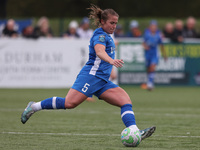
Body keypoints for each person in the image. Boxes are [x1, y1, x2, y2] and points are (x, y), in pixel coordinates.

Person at [21, 4, 155, 141]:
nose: (114, 26)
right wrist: (111, 61)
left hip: (102, 80)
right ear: (103, 22)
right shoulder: (100, 34)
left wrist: (110, 66)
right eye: (111, 23)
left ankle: (134, 131)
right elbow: (100, 52)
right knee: (69, 103)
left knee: (125, 101)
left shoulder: (109, 36)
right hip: (91, 76)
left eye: (116, 23)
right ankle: (34, 106)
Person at [142, 20, 167, 90]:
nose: (153, 28)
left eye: (155, 26)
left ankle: (150, 84)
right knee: (148, 69)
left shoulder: (158, 35)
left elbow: (161, 45)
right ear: (150, 27)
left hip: (154, 54)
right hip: (148, 54)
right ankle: (149, 81)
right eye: (152, 26)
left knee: (152, 67)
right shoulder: (147, 34)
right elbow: (143, 43)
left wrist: (164, 55)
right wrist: (145, 46)